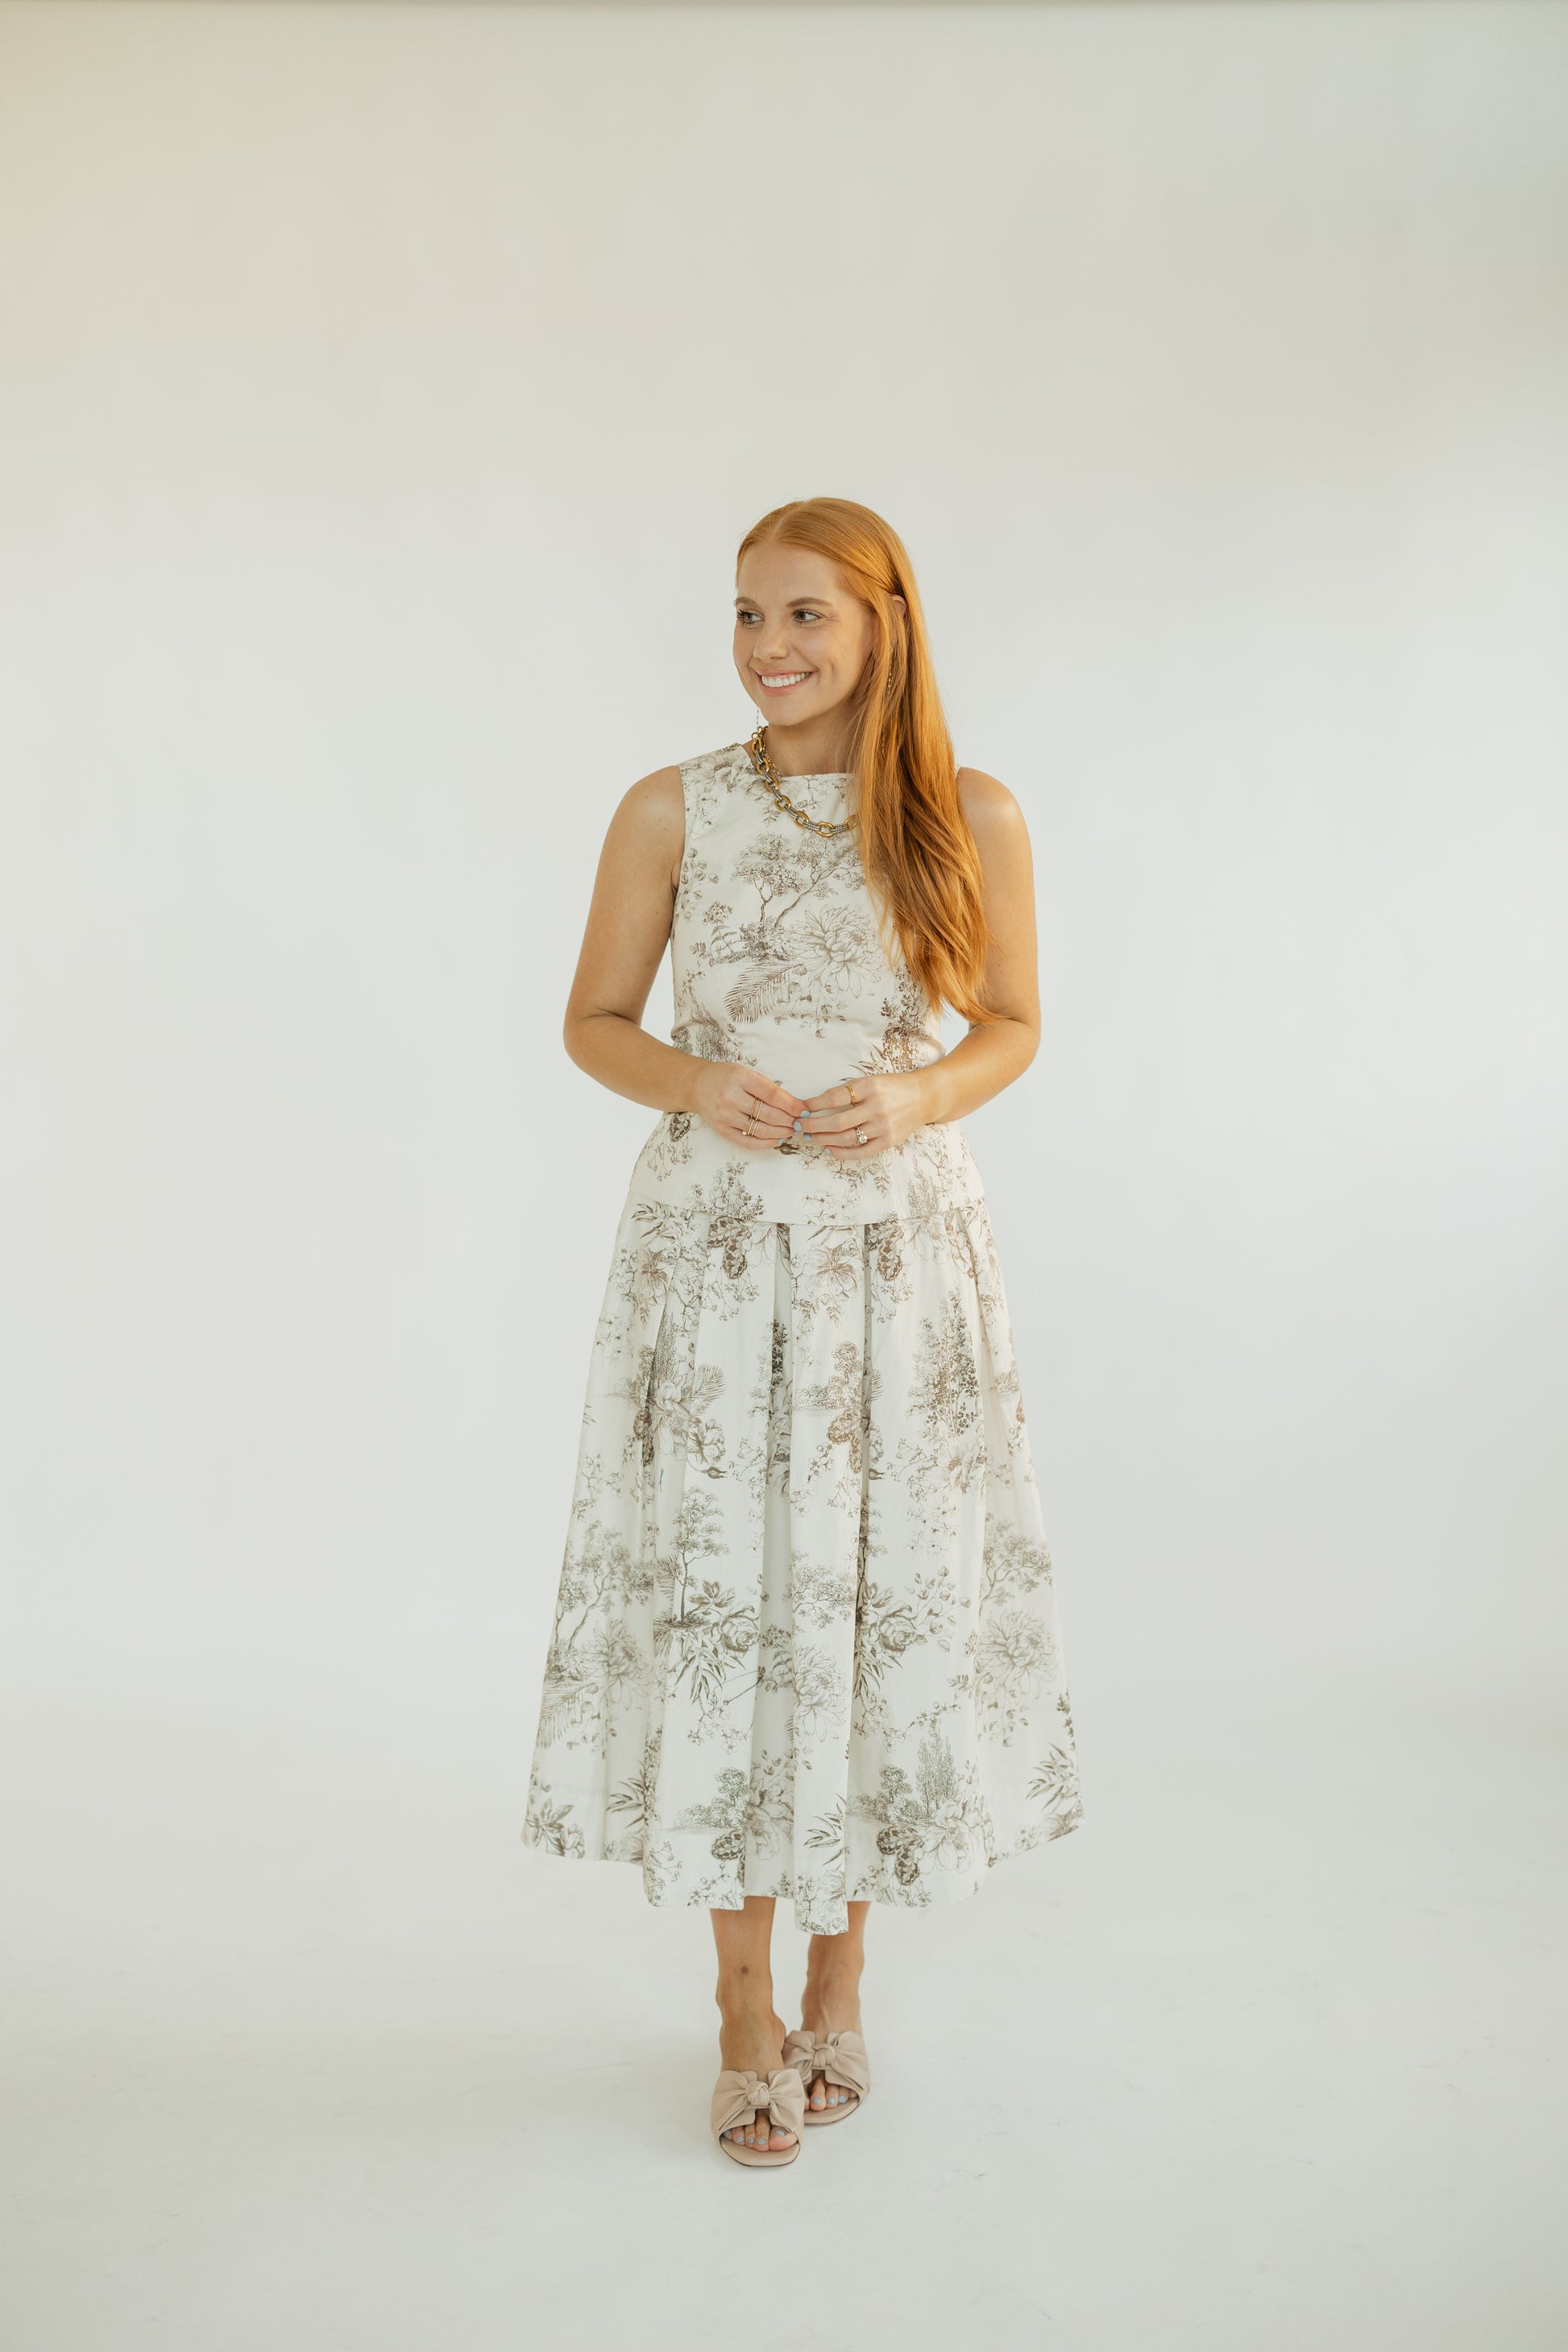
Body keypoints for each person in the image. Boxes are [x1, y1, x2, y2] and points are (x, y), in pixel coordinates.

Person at [522, 496, 1082, 2167]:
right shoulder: (670, 805)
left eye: (805, 616)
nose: (768, 648)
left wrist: (919, 1092)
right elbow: (594, 1021)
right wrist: (695, 1078)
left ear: (883, 623)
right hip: (714, 1257)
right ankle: (741, 2008)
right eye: (748, 614)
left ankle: (842, 1979)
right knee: (733, 1598)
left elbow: (1012, 1023)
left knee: (870, 1592)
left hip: (897, 1256)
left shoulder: (968, 811)